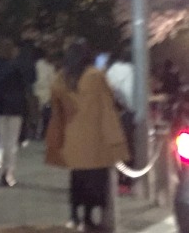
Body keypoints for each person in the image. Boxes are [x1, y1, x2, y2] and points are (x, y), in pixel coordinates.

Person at [45, 38, 129, 231]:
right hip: (95, 137)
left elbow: (55, 105)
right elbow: (107, 104)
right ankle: (89, 217)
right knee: (95, 178)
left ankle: (74, 215)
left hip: (72, 135)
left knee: (77, 177)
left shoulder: (62, 77)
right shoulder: (95, 76)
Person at [0, 37, 28, 187]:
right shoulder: (17, 67)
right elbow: (24, 88)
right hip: (15, 108)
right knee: (11, 142)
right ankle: (7, 173)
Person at [105, 50, 135, 195]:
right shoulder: (136, 71)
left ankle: (115, 181)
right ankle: (126, 183)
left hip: (115, 114)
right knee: (130, 149)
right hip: (131, 114)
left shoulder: (112, 71)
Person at [33, 48, 57, 139]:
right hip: (38, 95)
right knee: (38, 117)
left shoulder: (52, 67)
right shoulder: (38, 65)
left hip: (48, 97)